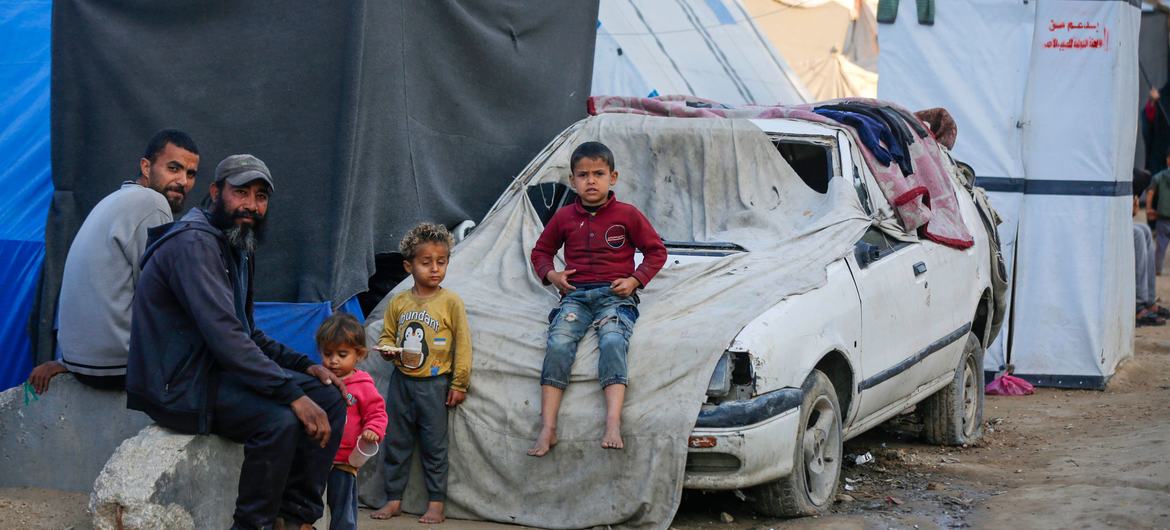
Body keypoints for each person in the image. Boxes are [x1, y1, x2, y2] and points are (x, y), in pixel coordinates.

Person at [126, 154, 346, 530]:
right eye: (241, 192)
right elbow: (227, 338)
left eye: (261, 197)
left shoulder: (236, 243)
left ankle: (294, 519)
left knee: (329, 397)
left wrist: (304, 366)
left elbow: (248, 332)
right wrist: (292, 394)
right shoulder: (195, 245)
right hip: (177, 385)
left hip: (211, 371)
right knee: (279, 420)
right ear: (216, 192)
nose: (251, 205)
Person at [28, 129, 199, 394]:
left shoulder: (114, 199)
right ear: (146, 166)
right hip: (118, 367)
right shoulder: (152, 203)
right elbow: (162, 295)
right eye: (173, 168)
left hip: (79, 361)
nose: (182, 181)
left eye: (190, 174)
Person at [526, 141, 667, 457]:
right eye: (583, 175)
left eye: (599, 174)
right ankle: (548, 427)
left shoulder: (627, 215)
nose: (591, 181)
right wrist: (553, 276)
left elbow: (657, 251)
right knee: (559, 343)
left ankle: (612, 422)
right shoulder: (564, 217)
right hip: (575, 297)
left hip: (615, 297)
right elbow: (541, 252)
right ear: (573, 181)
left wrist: (634, 280)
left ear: (612, 177)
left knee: (614, 340)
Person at [370, 223, 472, 524]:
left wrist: (460, 382)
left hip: (434, 384)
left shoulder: (450, 302)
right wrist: (388, 349)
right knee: (397, 441)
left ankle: (437, 503)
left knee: (435, 446)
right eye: (426, 263)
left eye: (441, 262)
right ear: (408, 265)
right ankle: (393, 499)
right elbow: (387, 336)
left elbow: (463, 344)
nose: (434, 269)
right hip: (401, 383)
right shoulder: (399, 302)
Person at [316, 313, 387, 530]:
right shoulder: (319, 380)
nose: (333, 360)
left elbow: (377, 413)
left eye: (342, 354)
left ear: (360, 355)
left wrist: (373, 430)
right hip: (317, 459)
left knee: (343, 511)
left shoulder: (363, 385)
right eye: (328, 354)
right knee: (308, 506)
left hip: (345, 462)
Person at [1147, 149, 1170, 275]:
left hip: (1162, 218)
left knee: (1160, 246)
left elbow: (1150, 193)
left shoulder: (1160, 176)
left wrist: (1149, 209)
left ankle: (1157, 269)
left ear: (1168, 160)